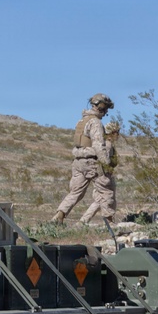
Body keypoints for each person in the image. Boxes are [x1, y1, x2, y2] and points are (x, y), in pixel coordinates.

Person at [52, 93, 113, 223]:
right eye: (106, 108)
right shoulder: (95, 122)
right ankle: (109, 222)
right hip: (91, 161)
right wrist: (106, 162)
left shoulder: (81, 121)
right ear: (101, 106)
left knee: (75, 192)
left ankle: (59, 215)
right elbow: (98, 145)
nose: (106, 112)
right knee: (106, 190)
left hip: (78, 161)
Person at [80, 120, 120, 224]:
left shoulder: (103, 144)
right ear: (112, 133)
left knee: (99, 200)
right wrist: (105, 175)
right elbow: (104, 161)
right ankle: (109, 222)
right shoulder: (107, 145)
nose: (118, 135)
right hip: (104, 175)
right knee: (108, 197)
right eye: (117, 132)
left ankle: (83, 221)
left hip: (99, 175)